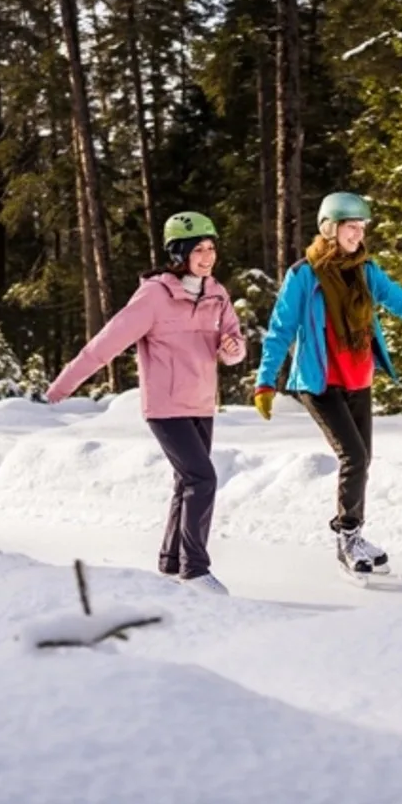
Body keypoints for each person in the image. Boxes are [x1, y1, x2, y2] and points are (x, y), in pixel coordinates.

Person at [252, 191, 402, 578]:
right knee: (353, 456)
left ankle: (352, 532)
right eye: (350, 227)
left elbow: (400, 300)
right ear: (329, 228)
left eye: (361, 227)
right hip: (319, 383)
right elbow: (280, 329)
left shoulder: (366, 271)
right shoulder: (304, 274)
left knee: (363, 459)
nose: (358, 234)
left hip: (358, 379)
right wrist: (265, 381)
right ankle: (348, 539)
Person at [46, 211, 245, 595]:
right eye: (198, 250)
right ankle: (195, 570)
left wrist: (233, 349)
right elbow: (105, 343)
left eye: (211, 249)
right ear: (178, 254)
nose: (207, 257)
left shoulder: (217, 294)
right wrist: (62, 386)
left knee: (186, 482)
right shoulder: (154, 295)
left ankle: (171, 562)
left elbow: (234, 345)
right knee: (202, 479)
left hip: (202, 403)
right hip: (166, 406)